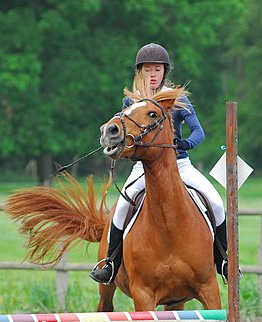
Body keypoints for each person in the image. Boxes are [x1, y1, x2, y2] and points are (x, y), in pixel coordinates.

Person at [90, 43, 228, 285]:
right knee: (121, 209)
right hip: (142, 167)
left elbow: (199, 131)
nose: (152, 74)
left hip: (180, 166)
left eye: (157, 69)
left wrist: (184, 144)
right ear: (140, 72)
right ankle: (110, 264)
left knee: (216, 203)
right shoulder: (131, 102)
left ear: (165, 71)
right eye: (147, 69)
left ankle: (224, 261)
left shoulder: (176, 98)